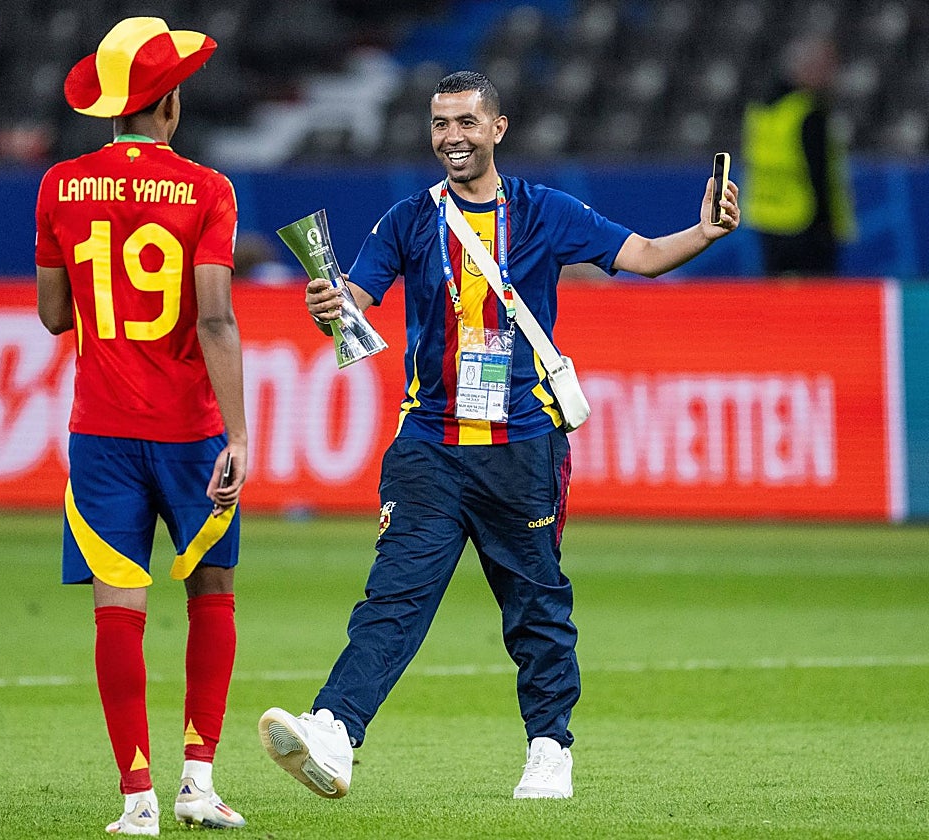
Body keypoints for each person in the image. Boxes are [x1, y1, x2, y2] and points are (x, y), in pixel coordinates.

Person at [258, 70, 739, 801]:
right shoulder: (407, 221)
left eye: (465, 122)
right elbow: (353, 307)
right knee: (394, 595)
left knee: (536, 604)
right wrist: (328, 305)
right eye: (440, 124)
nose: (452, 136)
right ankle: (334, 730)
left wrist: (704, 231)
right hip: (430, 447)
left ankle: (550, 749)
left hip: (522, 447)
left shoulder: (546, 211)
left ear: (498, 129)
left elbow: (638, 256)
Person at [34, 16, 248, 836]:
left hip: (103, 431)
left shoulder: (61, 183)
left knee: (116, 610)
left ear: (111, 108)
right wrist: (239, 435)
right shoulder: (207, 190)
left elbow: (55, 315)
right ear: (173, 104)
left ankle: (136, 800)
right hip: (191, 432)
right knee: (212, 594)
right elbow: (216, 320)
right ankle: (199, 782)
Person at [742, 34, 856, 276]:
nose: (831, 75)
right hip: (806, 221)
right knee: (816, 304)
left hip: (766, 217)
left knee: (778, 302)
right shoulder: (807, 112)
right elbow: (819, 172)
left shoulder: (761, 108)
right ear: (808, 68)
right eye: (826, 67)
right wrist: (827, 226)